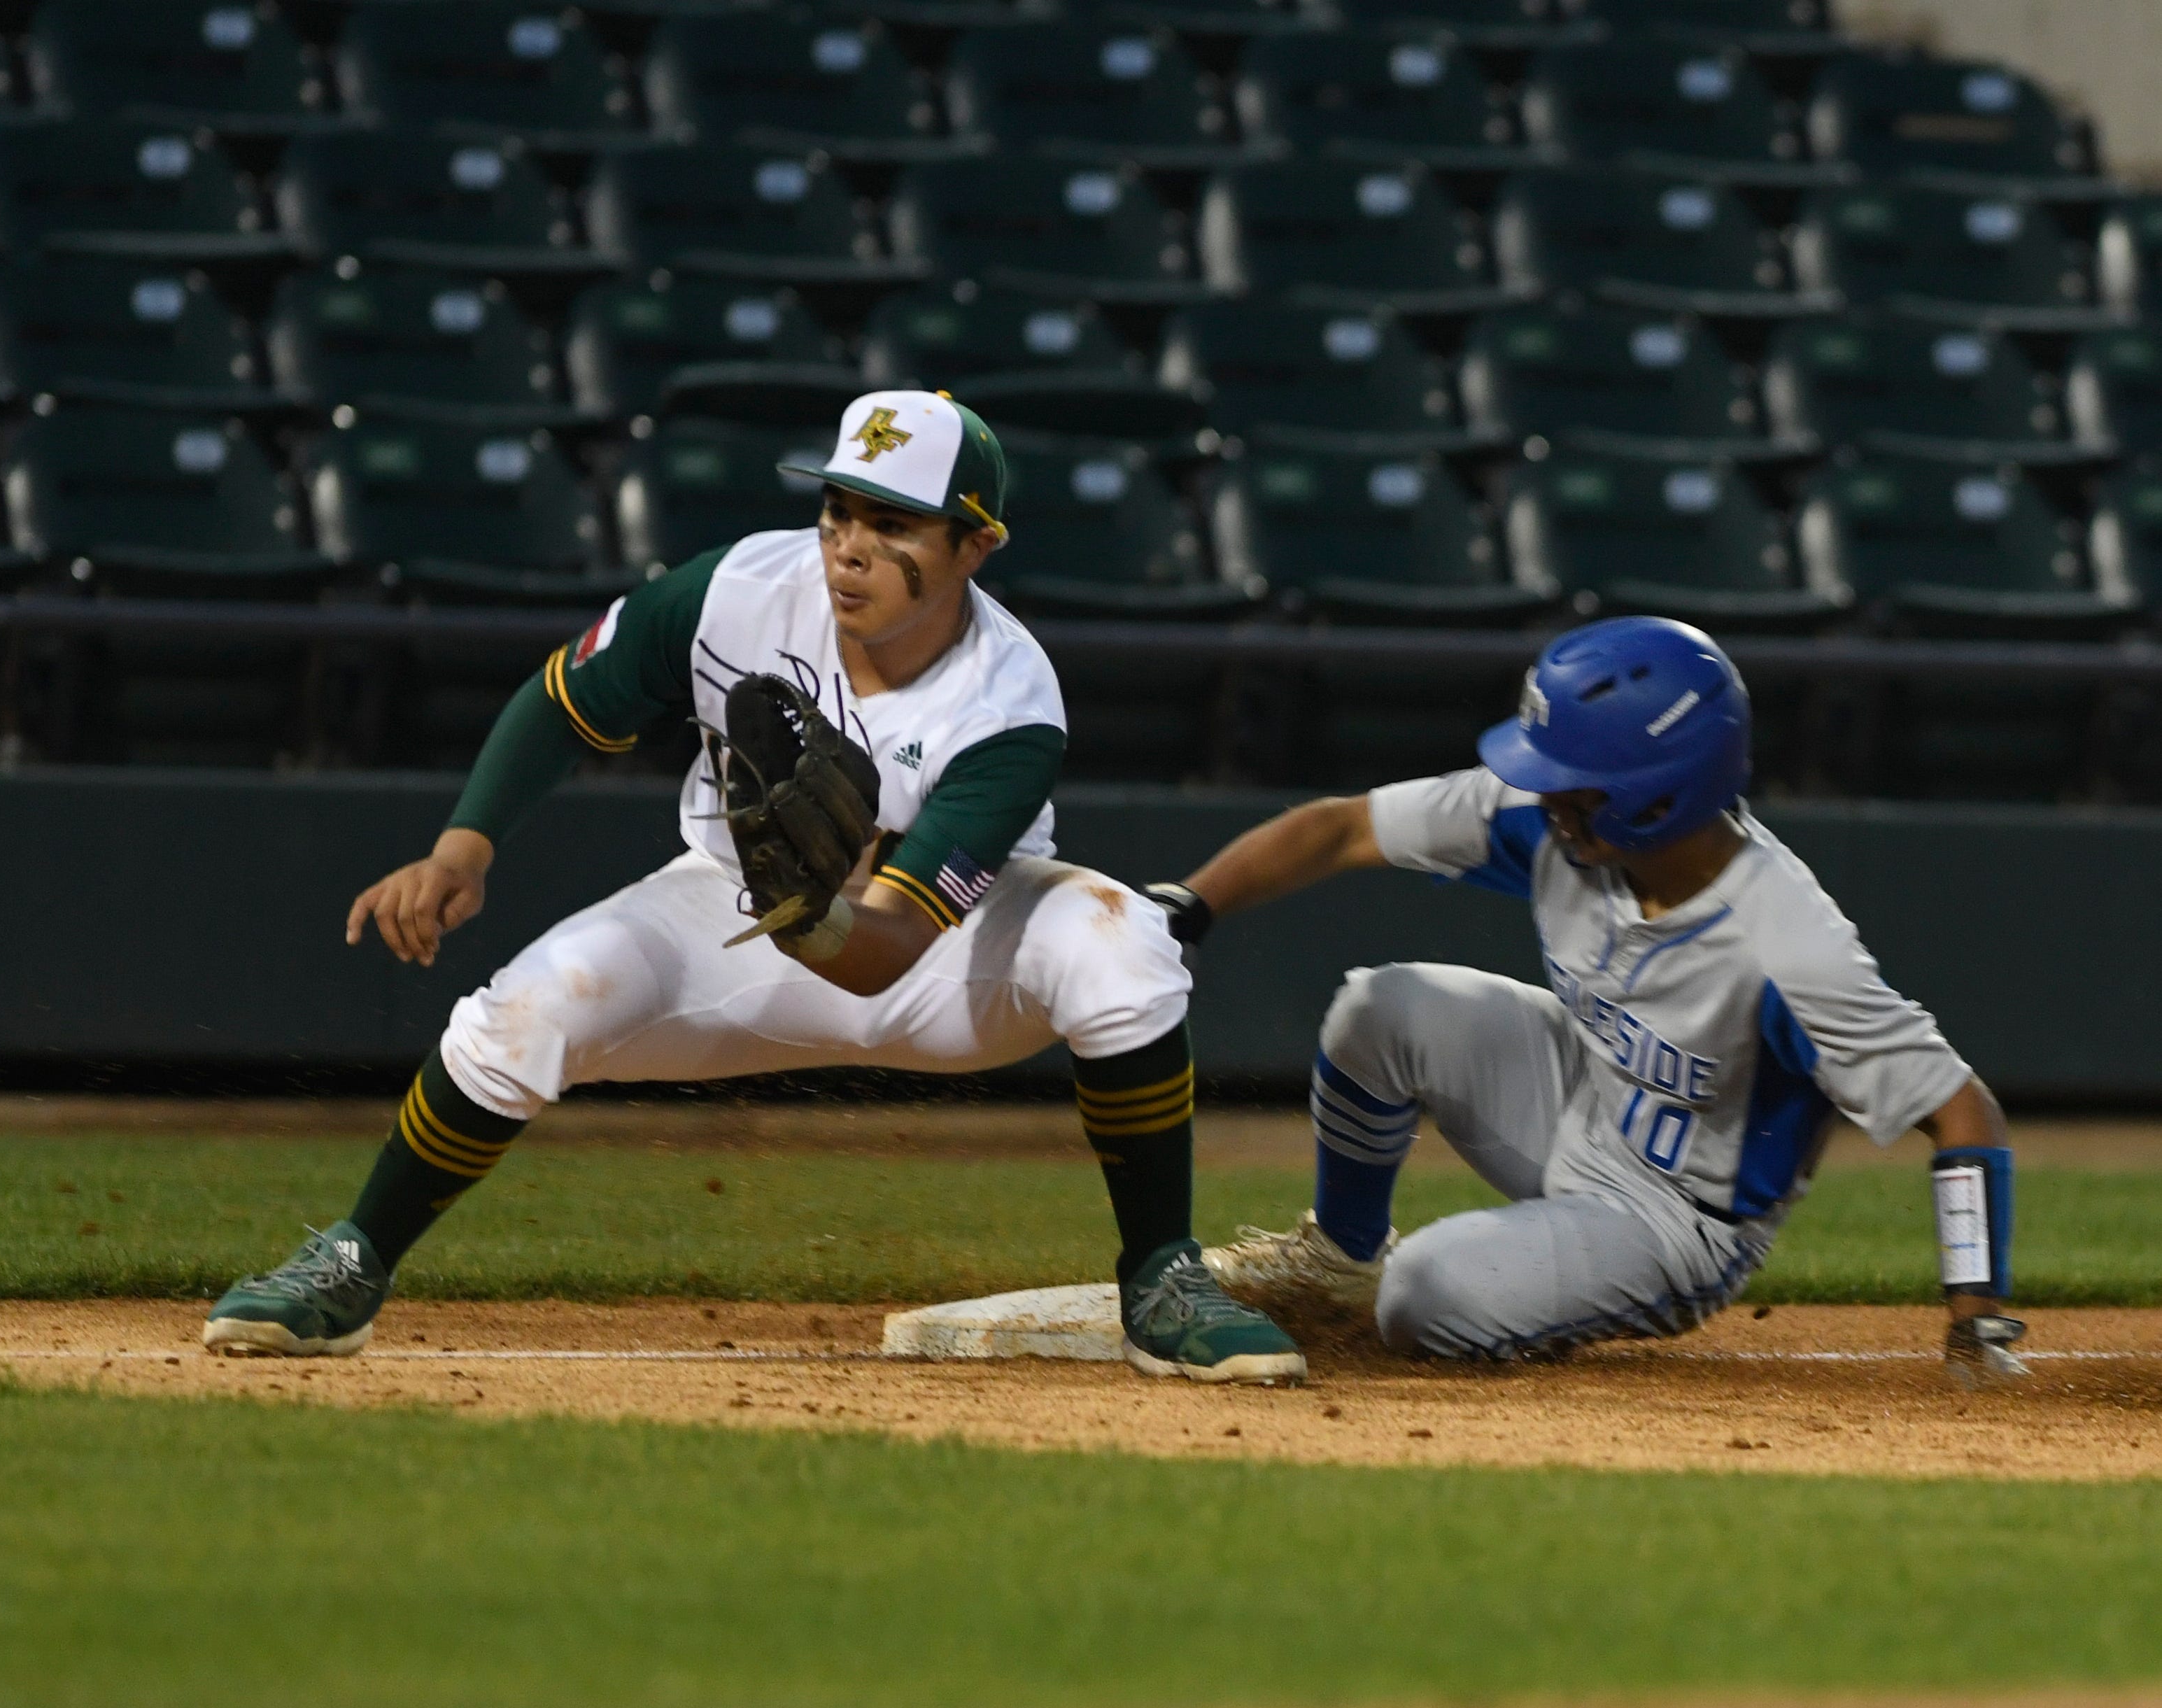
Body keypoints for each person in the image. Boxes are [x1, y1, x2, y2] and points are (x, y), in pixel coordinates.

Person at [203, 389, 1304, 1384]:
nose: (849, 550)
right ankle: (351, 1261)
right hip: (730, 901)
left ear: (975, 545)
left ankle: (1161, 1279)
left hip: (948, 952)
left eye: (892, 524)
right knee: (529, 1004)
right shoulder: (739, 584)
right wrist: (464, 847)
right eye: (838, 512)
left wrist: (813, 909)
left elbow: (879, 955)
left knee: (1121, 940)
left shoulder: (1009, 706)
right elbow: (564, 699)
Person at [1147, 616, 2026, 1379]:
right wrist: (1189, 903)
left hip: (1678, 1219)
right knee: (1378, 1008)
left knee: (1426, 1296)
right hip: (1581, 1097)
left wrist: (1975, 1317)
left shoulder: (1789, 948)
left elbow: (1962, 1112)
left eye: (1577, 776)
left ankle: (1513, 1300)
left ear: (1661, 791)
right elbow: (1341, 828)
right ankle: (1338, 1257)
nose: (1547, 787)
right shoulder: (1549, 822)